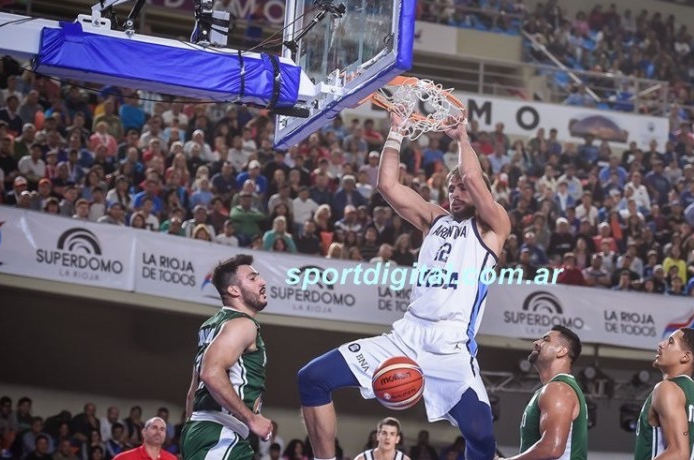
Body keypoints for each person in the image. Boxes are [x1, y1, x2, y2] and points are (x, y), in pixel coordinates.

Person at [298, 112, 511, 460]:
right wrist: (396, 132)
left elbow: (472, 175)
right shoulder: (434, 218)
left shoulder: (493, 226)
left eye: (461, 188)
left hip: (451, 346)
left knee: (482, 437)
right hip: (406, 335)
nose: (455, 192)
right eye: (450, 188)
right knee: (312, 378)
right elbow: (387, 186)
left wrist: (461, 138)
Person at [180, 254, 274, 460]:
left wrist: (193, 430)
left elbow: (192, 392)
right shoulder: (243, 324)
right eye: (252, 278)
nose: (263, 281)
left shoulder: (211, 325)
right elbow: (210, 372)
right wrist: (252, 419)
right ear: (234, 290)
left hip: (204, 428)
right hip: (221, 430)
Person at [500, 326, 587, 460]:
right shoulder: (556, 388)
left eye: (546, 340)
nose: (536, 342)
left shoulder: (558, 389)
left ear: (561, 351)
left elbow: (552, 448)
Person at [634, 328, 694, 460]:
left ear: (685, 356)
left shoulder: (667, 388)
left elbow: (679, 454)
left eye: (670, 342)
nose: (661, 344)